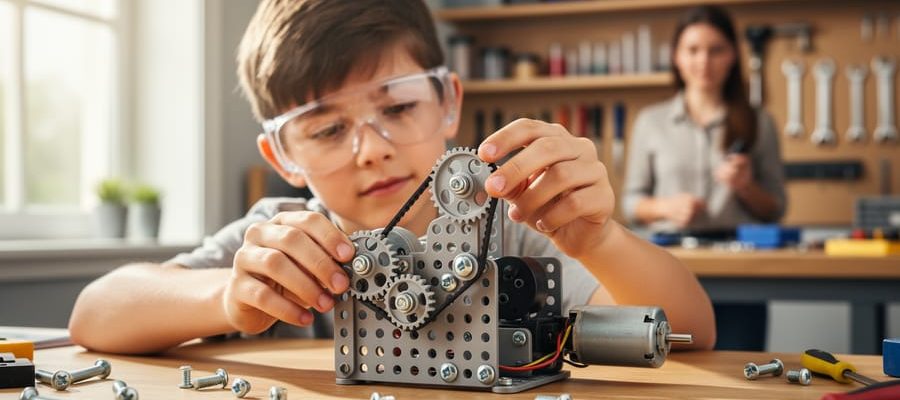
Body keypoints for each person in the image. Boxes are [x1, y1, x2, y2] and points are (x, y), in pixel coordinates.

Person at [69, 0, 715, 355]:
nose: (371, 150)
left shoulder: (512, 228)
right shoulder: (278, 243)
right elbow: (95, 313)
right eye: (326, 130)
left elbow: (689, 328)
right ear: (281, 160)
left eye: (398, 107)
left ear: (449, 102)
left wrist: (597, 240)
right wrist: (228, 300)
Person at [622, 5, 786, 350]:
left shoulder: (759, 122)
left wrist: (746, 187)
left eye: (716, 50)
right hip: (670, 266)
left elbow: (775, 208)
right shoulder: (651, 122)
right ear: (677, 57)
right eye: (693, 50)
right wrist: (665, 207)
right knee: (674, 369)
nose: (704, 61)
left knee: (741, 368)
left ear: (733, 56)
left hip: (740, 269)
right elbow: (631, 203)